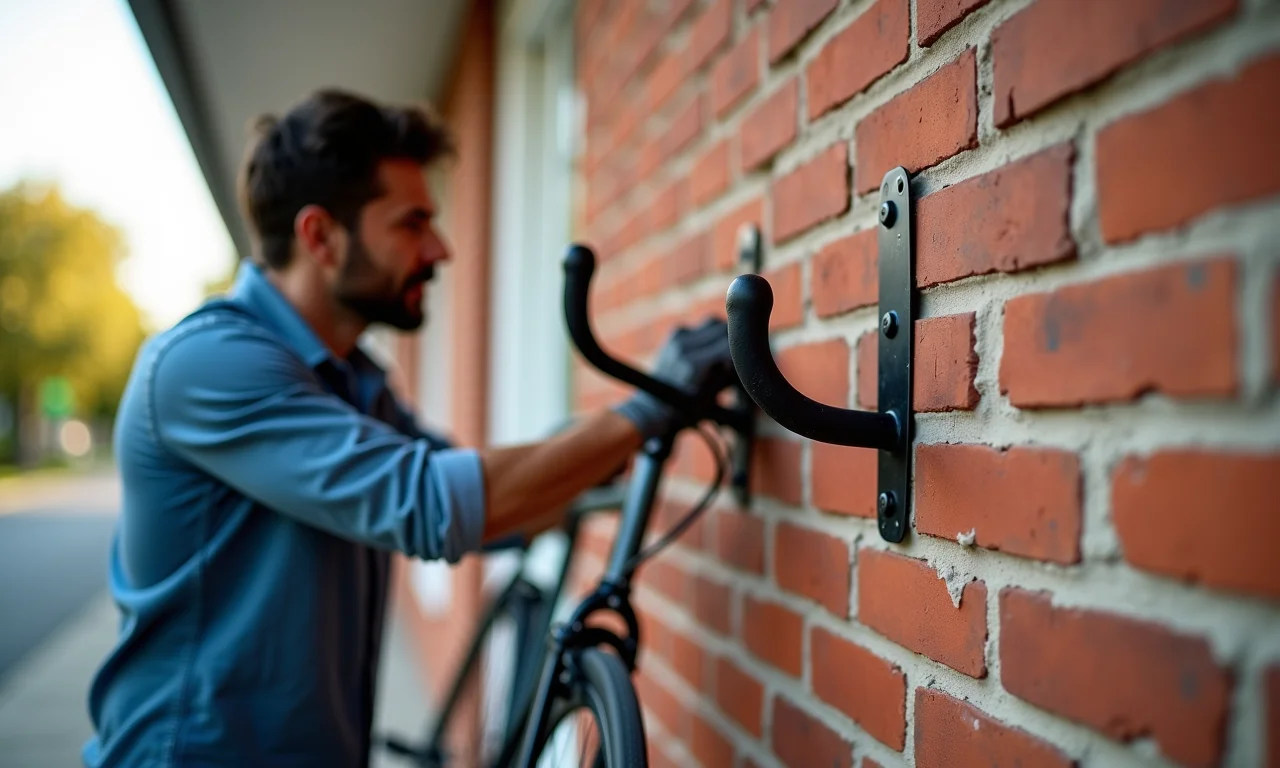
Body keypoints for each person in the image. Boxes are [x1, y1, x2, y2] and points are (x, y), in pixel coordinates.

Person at [82, 88, 738, 767]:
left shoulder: (352, 379)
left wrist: (610, 442)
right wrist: (643, 412)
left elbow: (495, 515)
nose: (441, 249)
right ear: (320, 237)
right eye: (412, 223)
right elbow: (431, 503)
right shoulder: (207, 365)